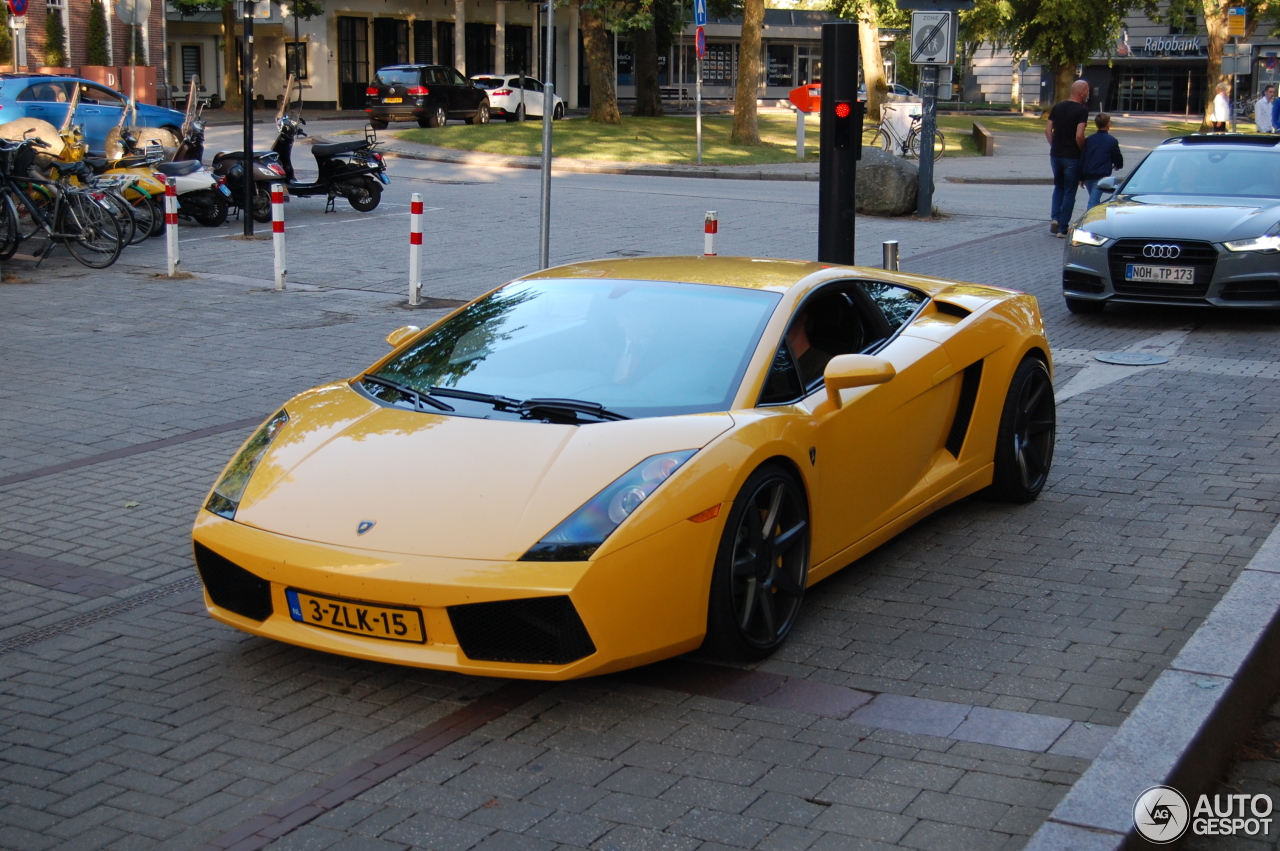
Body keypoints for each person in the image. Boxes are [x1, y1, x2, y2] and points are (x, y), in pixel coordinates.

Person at [1045, 80, 1090, 237]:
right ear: (1081, 93)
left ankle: (1055, 219)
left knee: (1059, 187)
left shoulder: (1058, 107)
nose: (1088, 94)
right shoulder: (1082, 111)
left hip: (1056, 155)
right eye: (1087, 91)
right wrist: (1082, 148)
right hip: (1072, 156)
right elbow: (1079, 134)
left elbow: (1048, 129)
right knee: (1070, 191)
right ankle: (1063, 228)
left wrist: (1053, 145)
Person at [1079, 113, 1124, 210]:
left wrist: (1081, 177)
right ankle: (1089, 221)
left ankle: (1096, 218)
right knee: (1093, 201)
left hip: (1088, 174)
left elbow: (1083, 157)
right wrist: (1118, 165)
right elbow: (1117, 156)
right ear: (1107, 124)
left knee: (1094, 198)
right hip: (1100, 175)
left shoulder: (1089, 140)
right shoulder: (1111, 140)